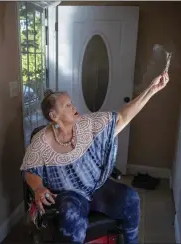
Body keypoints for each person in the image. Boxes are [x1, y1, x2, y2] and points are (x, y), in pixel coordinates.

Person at [20, 72, 170, 243]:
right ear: (54, 116)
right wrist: (38, 187)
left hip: (97, 187)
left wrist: (152, 89)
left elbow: (122, 116)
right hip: (69, 194)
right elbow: (30, 169)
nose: (74, 108)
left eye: (72, 103)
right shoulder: (42, 140)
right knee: (72, 218)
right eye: (68, 106)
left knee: (130, 199)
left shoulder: (87, 124)